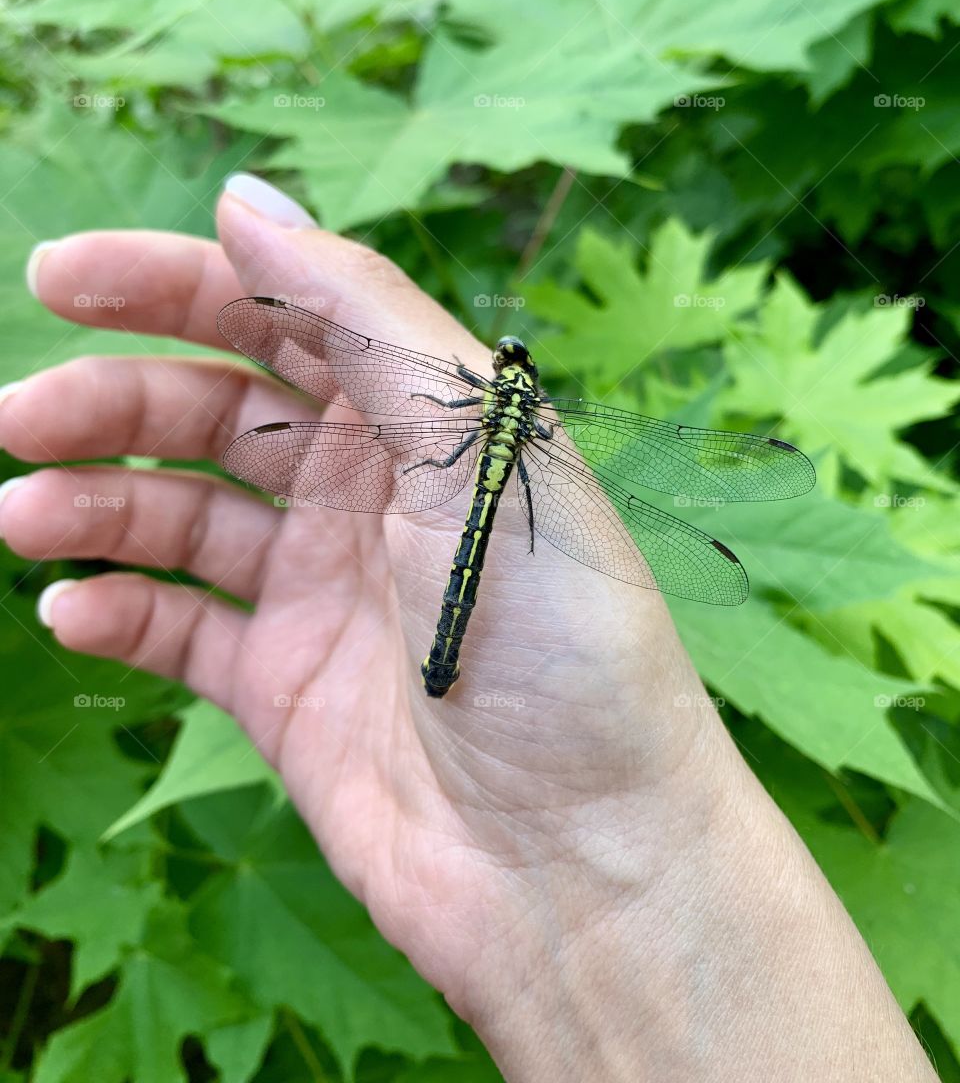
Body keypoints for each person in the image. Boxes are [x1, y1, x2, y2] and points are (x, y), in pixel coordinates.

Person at [0, 174, 937, 1081]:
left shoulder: (466, 398)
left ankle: (444, 657)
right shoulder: (534, 425)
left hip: (461, 523)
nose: (511, 368)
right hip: (496, 515)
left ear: (502, 377)